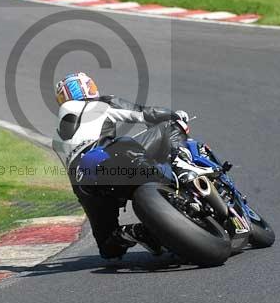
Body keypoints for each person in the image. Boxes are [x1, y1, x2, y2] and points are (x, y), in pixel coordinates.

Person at [52, 72, 195, 260]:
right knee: (170, 126)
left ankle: (131, 232)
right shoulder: (101, 103)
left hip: (84, 185)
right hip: (108, 156)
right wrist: (175, 114)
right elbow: (145, 114)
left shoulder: (56, 137)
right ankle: (185, 170)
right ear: (88, 88)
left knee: (109, 249)